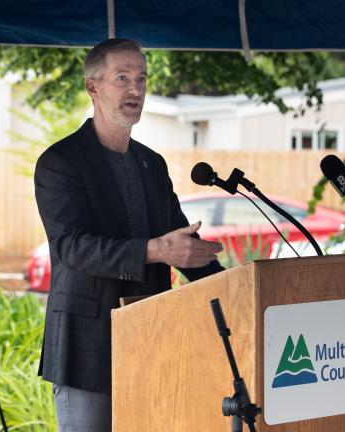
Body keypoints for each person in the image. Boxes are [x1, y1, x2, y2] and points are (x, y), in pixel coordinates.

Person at [34, 38, 225, 431]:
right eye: (122, 78)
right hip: (88, 345)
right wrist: (155, 251)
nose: (135, 89)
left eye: (141, 78)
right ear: (93, 88)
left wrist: (239, 285)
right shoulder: (60, 162)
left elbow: (182, 245)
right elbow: (72, 247)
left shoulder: (152, 164)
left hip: (150, 337)